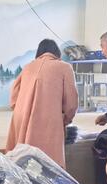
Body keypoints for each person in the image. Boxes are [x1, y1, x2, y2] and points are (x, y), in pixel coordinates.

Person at [6, 39, 78, 168]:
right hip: (48, 120)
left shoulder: (27, 67)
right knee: (48, 165)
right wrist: (66, 119)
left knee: (21, 160)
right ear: (57, 52)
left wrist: (24, 109)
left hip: (21, 118)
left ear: (39, 52)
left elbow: (13, 96)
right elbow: (71, 102)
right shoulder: (65, 67)